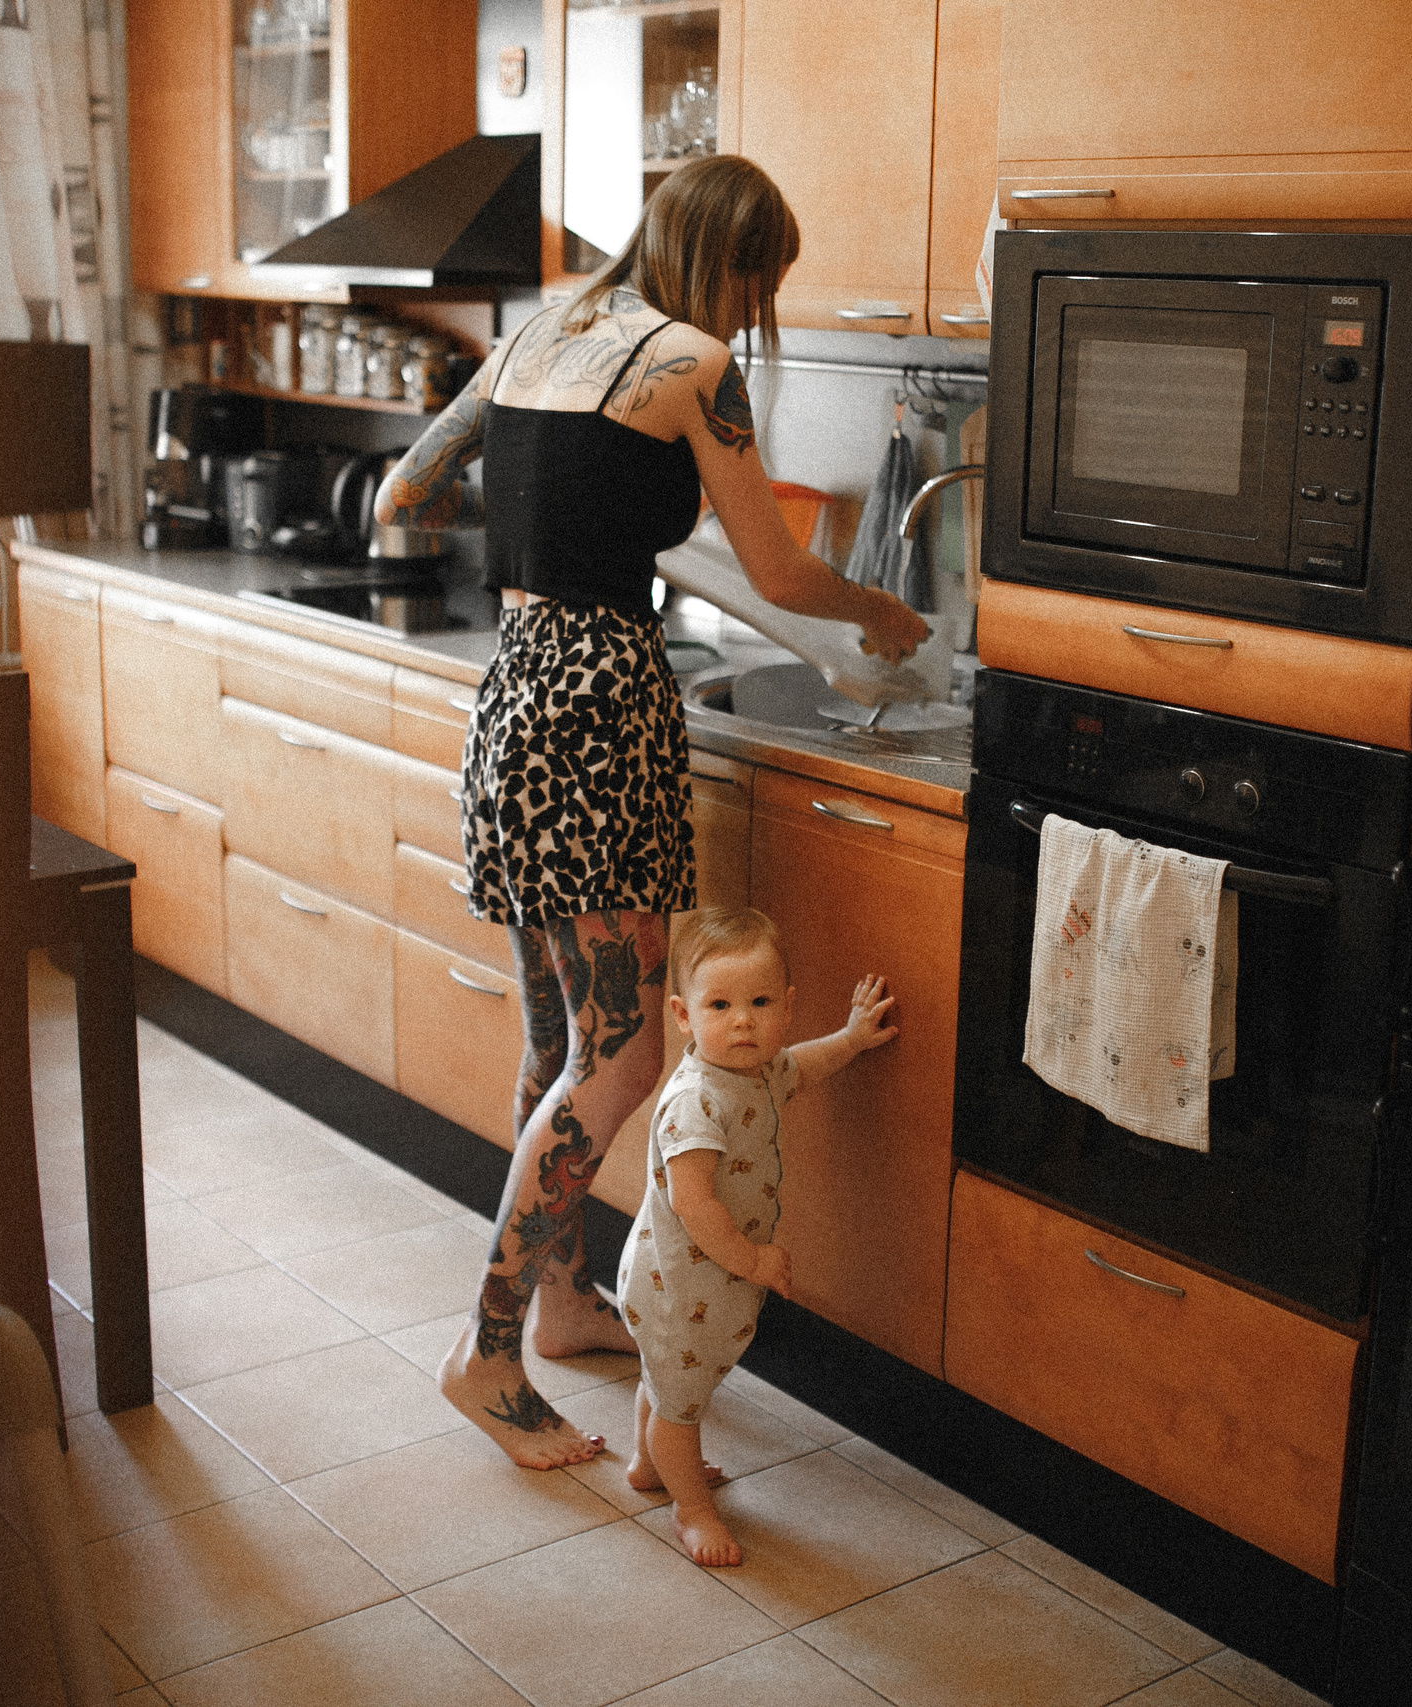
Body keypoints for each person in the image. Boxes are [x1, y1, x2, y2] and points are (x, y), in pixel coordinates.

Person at [373, 154, 931, 1470]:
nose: (756, 310)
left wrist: (577, 526)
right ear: (734, 262)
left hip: (511, 699)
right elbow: (789, 568)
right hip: (599, 715)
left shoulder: (538, 330)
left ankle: (563, 1302)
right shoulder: (691, 362)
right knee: (619, 1058)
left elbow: (408, 486)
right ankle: (488, 1347)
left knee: (562, 1037)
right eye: (761, 282)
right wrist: (883, 612)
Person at [618, 906, 897, 1566]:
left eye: (760, 1001)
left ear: (787, 1006)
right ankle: (690, 1508)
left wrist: (853, 1039)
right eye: (721, 1004)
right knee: (680, 1406)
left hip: (693, 1282)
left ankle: (646, 1465)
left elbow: (802, 1066)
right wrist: (754, 1259)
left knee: (669, 1381)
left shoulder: (755, 1071)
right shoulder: (697, 1101)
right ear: (684, 1015)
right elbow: (695, 1205)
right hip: (681, 1281)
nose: (743, 1019)